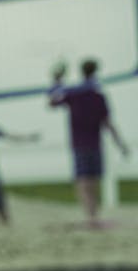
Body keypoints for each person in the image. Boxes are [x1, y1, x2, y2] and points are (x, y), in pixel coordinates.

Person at [48, 58, 130, 228]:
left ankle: (91, 217)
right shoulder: (95, 95)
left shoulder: (77, 94)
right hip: (93, 144)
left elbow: (52, 102)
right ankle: (93, 216)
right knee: (91, 181)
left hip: (81, 144)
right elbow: (108, 124)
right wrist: (120, 144)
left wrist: (56, 79)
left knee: (84, 182)